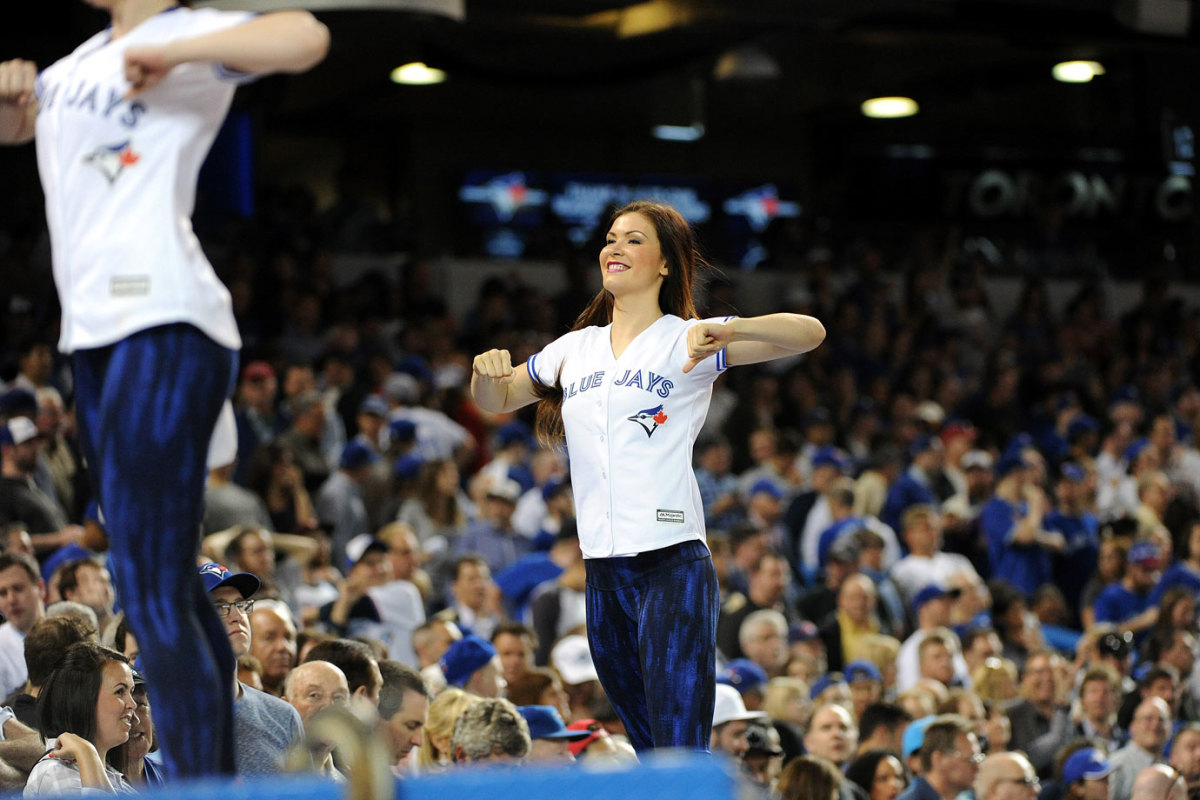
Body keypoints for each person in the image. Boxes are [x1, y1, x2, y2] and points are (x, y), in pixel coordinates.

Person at [0, 1, 329, 779]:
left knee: (151, 585)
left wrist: (186, 52)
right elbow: (20, 130)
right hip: (93, 338)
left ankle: (207, 784)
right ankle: (217, 779)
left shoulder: (187, 33)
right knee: (157, 578)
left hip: (166, 316)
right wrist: (13, 99)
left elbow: (306, 35)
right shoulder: (75, 65)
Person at [470, 200, 825, 752]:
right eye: (610, 237)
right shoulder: (573, 349)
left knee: (679, 741)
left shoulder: (684, 337)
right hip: (602, 568)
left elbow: (809, 333)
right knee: (645, 744)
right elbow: (496, 399)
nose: (615, 247)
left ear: (665, 263)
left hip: (670, 561)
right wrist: (485, 375)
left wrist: (732, 330)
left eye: (634, 239)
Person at [24, 641, 136, 795]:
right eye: (120, 692)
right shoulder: (56, 776)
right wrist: (87, 754)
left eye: (131, 691)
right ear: (81, 700)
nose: (133, 704)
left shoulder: (111, 774)